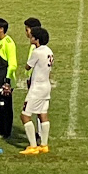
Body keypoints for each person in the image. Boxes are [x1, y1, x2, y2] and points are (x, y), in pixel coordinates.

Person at [20, 27, 53, 155]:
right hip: (46, 86)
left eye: (32, 36)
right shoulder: (49, 51)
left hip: (37, 88)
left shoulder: (37, 52)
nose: (30, 38)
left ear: (37, 39)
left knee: (25, 115)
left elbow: (28, 66)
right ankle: (44, 144)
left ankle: (33, 146)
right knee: (42, 114)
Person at [0, 18, 17, 138]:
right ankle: (1, 128)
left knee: (5, 105)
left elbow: (12, 63)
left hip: (4, 78)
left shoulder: (9, 43)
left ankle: (7, 130)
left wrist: (7, 81)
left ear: (2, 29)